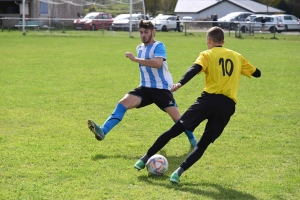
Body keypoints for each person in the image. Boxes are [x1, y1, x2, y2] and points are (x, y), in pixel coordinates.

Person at [134, 26, 261, 183]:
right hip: (227, 106)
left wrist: (180, 83)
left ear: (208, 40)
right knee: (203, 144)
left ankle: (144, 159)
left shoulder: (207, 54)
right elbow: (257, 73)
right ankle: (177, 173)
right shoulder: (237, 56)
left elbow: (195, 69)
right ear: (223, 41)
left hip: (207, 101)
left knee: (175, 130)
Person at [88, 20, 197, 148]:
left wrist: (135, 59)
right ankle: (103, 131)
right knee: (122, 104)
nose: (143, 35)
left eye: (146, 32)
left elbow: (157, 63)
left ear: (153, 32)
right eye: (141, 32)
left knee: (177, 119)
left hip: (161, 90)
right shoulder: (139, 48)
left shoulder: (159, 46)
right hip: (144, 89)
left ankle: (194, 141)